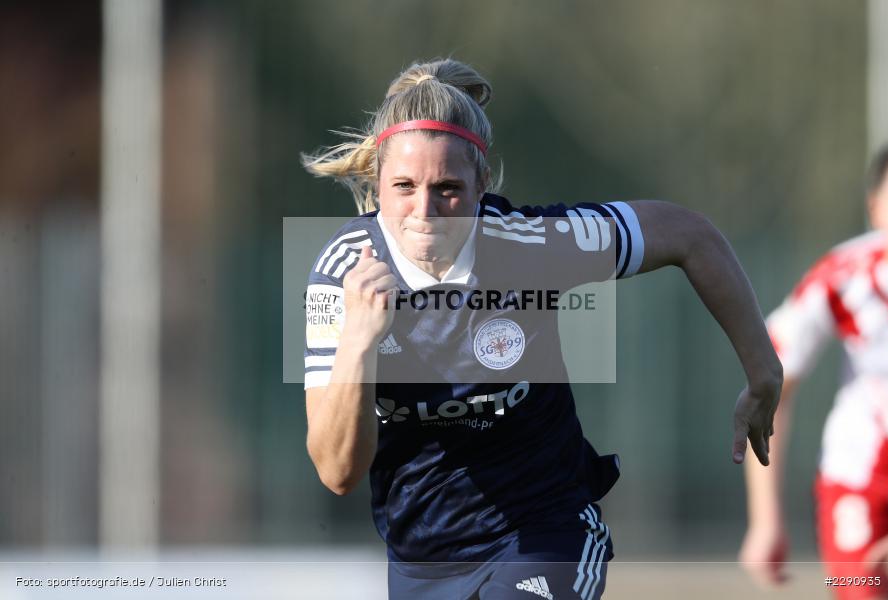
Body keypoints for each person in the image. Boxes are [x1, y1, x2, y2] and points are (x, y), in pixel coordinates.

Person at [302, 58, 781, 600]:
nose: (425, 210)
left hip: (547, 531)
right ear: (377, 183)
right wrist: (359, 344)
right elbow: (338, 471)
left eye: (448, 188)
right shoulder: (342, 275)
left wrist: (763, 371)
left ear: (483, 182)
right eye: (405, 186)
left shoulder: (533, 243)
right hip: (422, 559)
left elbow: (688, 235)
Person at [740, 138, 888, 600]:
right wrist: (765, 519)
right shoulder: (844, 278)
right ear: (876, 209)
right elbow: (769, 384)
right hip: (859, 485)